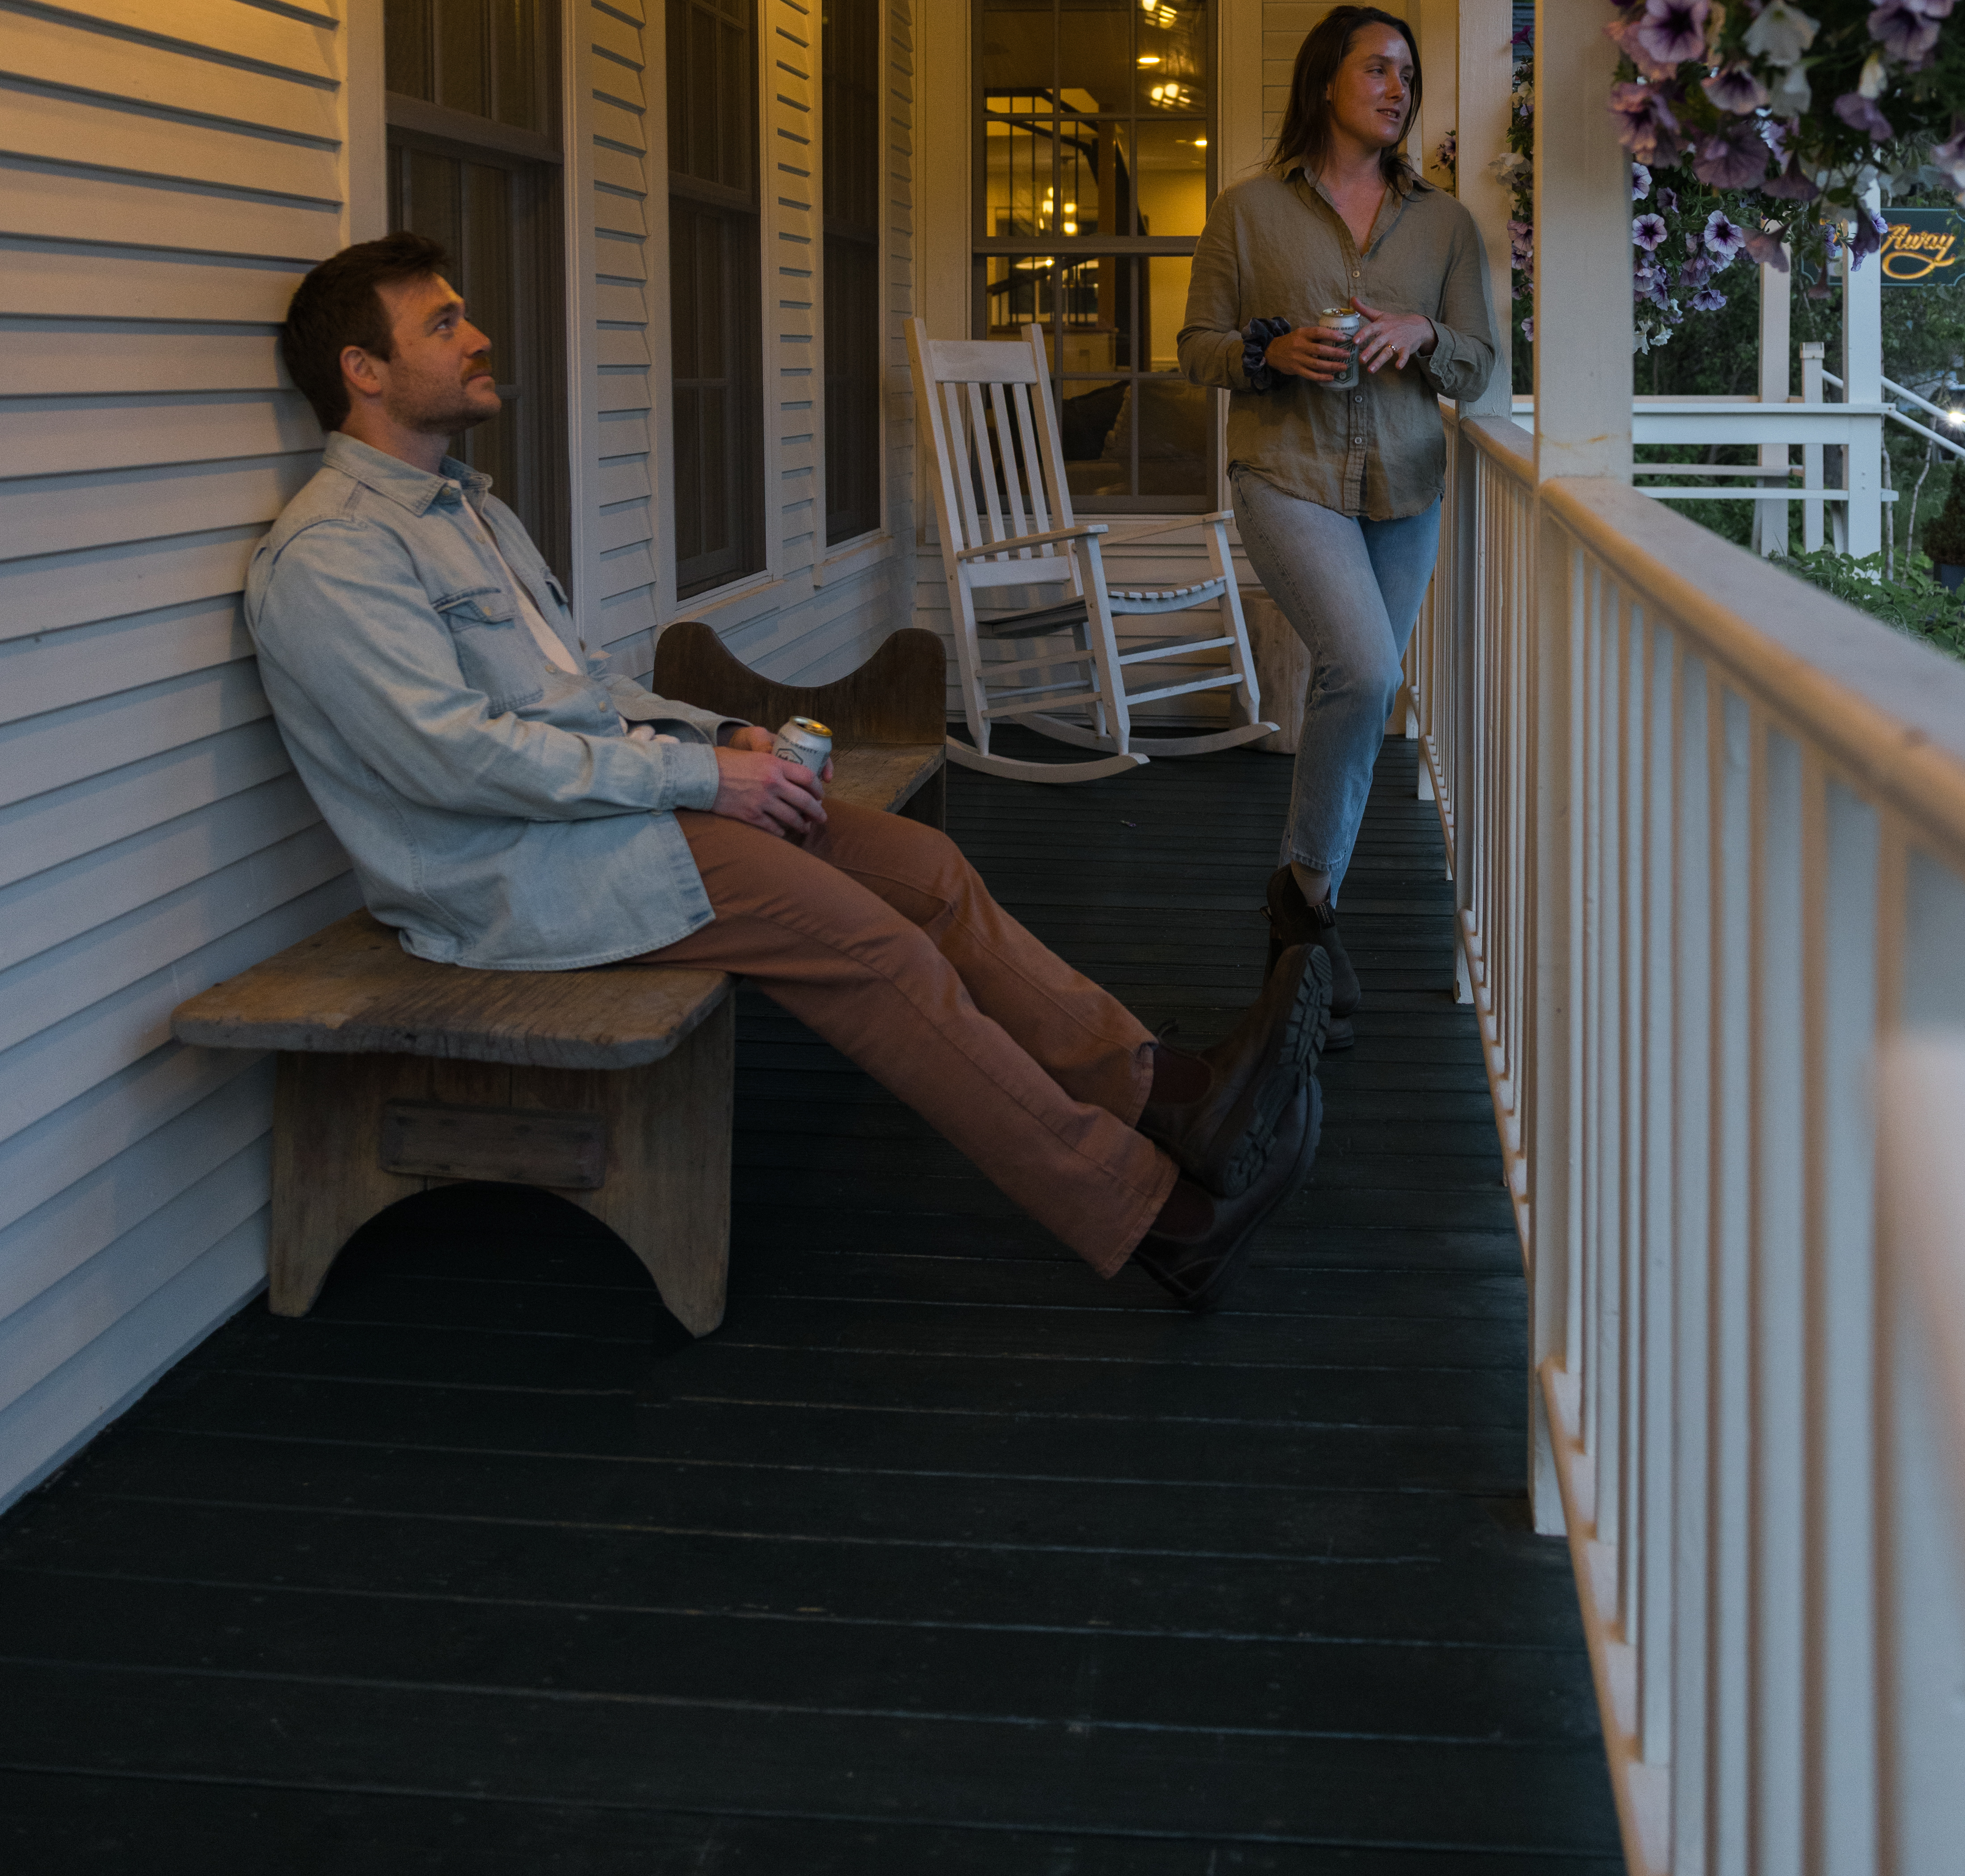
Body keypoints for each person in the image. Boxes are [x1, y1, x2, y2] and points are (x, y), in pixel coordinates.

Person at [244, 237, 1326, 1310]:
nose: (478, 335)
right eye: (442, 323)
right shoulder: (336, 553)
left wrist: (719, 737)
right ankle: (1156, 1219)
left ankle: (1176, 1098)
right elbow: (453, 758)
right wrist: (698, 784)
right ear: (362, 370)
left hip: (604, 818)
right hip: (513, 877)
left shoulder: (470, 513)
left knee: (926, 870)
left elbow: (583, 694)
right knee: (874, 951)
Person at [1177, 6, 1497, 1045]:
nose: (1397, 88)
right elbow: (1196, 347)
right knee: (1360, 670)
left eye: (1407, 73)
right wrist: (1270, 355)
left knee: (1363, 696)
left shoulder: (1443, 226)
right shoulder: (1247, 210)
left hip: (1404, 484)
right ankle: (1305, 909)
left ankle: (1301, 921)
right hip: (1287, 471)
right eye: (1378, 69)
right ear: (1326, 81)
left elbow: (1486, 367)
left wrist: (1427, 332)